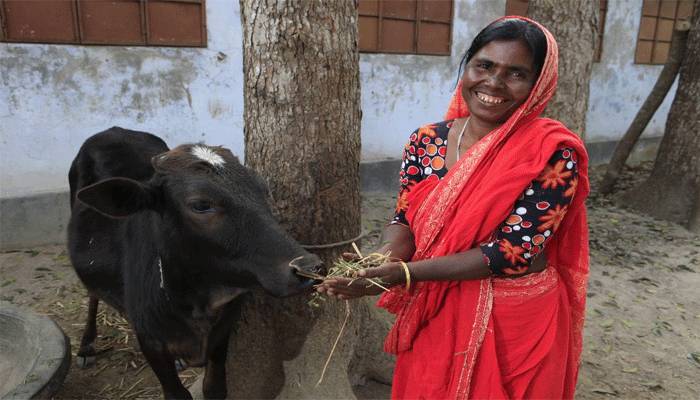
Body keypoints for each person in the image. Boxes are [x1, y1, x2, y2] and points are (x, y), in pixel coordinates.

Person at [317, 16, 590, 399]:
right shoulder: (426, 141)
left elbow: (514, 253)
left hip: (511, 320)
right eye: (484, 65)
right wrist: (378, 262)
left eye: (516, 74)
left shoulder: (552, 154)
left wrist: (404, 275)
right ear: (468, 66)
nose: (493, 83)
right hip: (436, 307)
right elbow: (405, 219)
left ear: (538, 85)